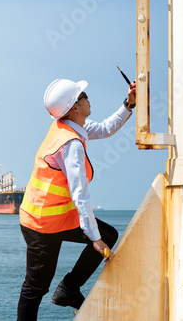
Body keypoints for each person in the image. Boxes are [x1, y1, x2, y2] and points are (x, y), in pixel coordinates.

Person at [17, 78, 136, 320]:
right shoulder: (71, 144)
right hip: (41, 225)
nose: (88, 97)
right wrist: (95, 240)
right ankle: (65, 290)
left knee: (109, 235)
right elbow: (80, 195)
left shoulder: (70, 127)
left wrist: (128, 104)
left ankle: (69, 288)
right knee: (35, 288)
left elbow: (104, 128)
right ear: (74, 107)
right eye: (83, 95)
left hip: (59, 218)